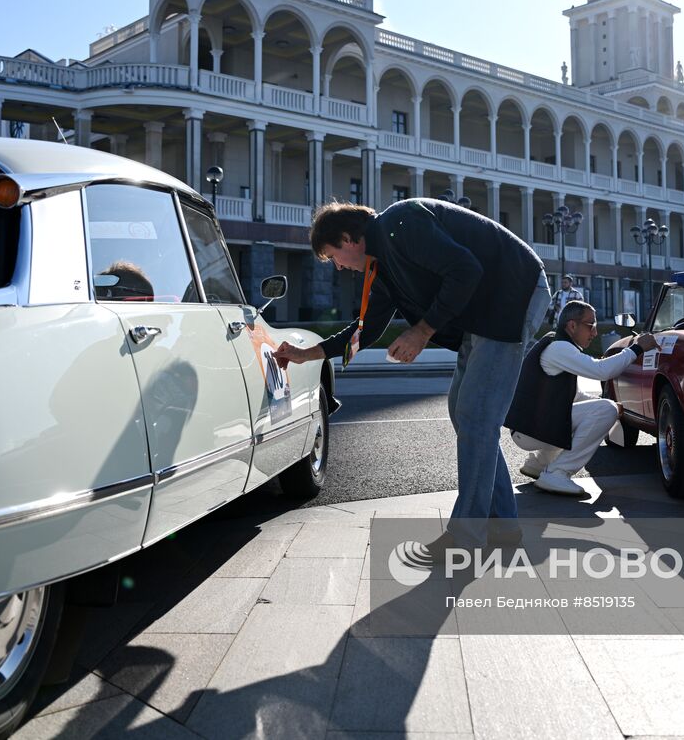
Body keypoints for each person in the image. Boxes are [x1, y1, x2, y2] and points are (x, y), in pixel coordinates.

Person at [274, 199, 549, 549]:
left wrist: (422, 331)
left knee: (477, 419)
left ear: (348, 239)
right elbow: (366, 331)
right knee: (464, 414)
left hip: (514, 293)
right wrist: (305, 354)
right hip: (483, 314)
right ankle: (503, 524)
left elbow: (466, 270)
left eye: (333, 257)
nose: (339, 268)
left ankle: (467, 535)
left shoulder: (403, 223)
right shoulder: (384, 267)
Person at [505, 300, 657, 495]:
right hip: (530, 429)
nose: (595, 332)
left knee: (600, 409)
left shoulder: (557, 344)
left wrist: (609, 404)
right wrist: (637, 348)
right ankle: (557, 473)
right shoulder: (559, 348)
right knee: (606, 411)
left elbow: (575, 397)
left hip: (528, 427)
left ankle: (539, 463)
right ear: (572, 325)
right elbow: (601, 370)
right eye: (591, 325)